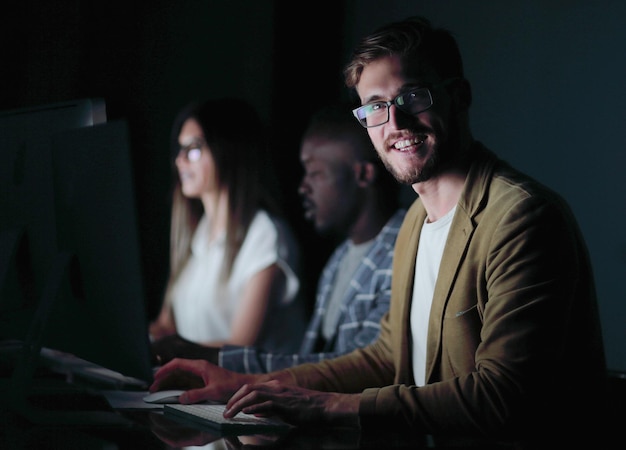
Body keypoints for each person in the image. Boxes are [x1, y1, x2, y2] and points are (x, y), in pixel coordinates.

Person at [149, 17, 607, 446]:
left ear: (460, 96)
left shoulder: (522, 217)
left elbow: (501, 397)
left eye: (414, 97)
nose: (396, 123)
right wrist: (249, 382)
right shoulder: (413, 222)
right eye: (375, 107)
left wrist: (327, 406)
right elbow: (385, 356)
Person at [150, 104, 407, 373]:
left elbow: (363, 369)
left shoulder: (266, 236)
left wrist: (189, 353)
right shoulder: (339, 259)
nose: (303, 187)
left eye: (316, 173)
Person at [149, 97, 306, 354]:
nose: (180, 161)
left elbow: (239, 350)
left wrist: (169, 350)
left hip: (243, 392)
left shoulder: (265, 235)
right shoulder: (197, 234)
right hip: (192, 387)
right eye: (180, 150)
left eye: (194, 149)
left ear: (228, 150)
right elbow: (165, 325)